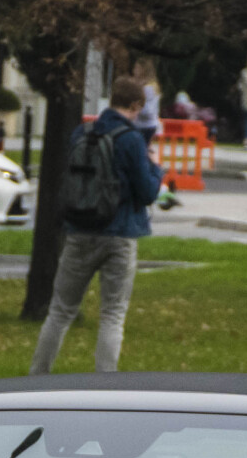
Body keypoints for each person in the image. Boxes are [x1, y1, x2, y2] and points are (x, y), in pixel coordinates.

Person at [29, 75, 162, 376]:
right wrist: (156, 168)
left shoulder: (81, 133)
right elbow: (148, 191)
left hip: (78, 231)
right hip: (120, 234)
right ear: (135, 105)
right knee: (113, 314)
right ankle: (105, 383)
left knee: (60, 311)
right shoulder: (131, 140)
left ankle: (37, 374)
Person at [131, 60, 163, 146]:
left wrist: (135, 108)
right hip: (147, 124)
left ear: (143, 70)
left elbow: (148, 109)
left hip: (145, 125)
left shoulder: (147, 88)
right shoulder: (151, 85)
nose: (134, 70)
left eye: (137, 68)